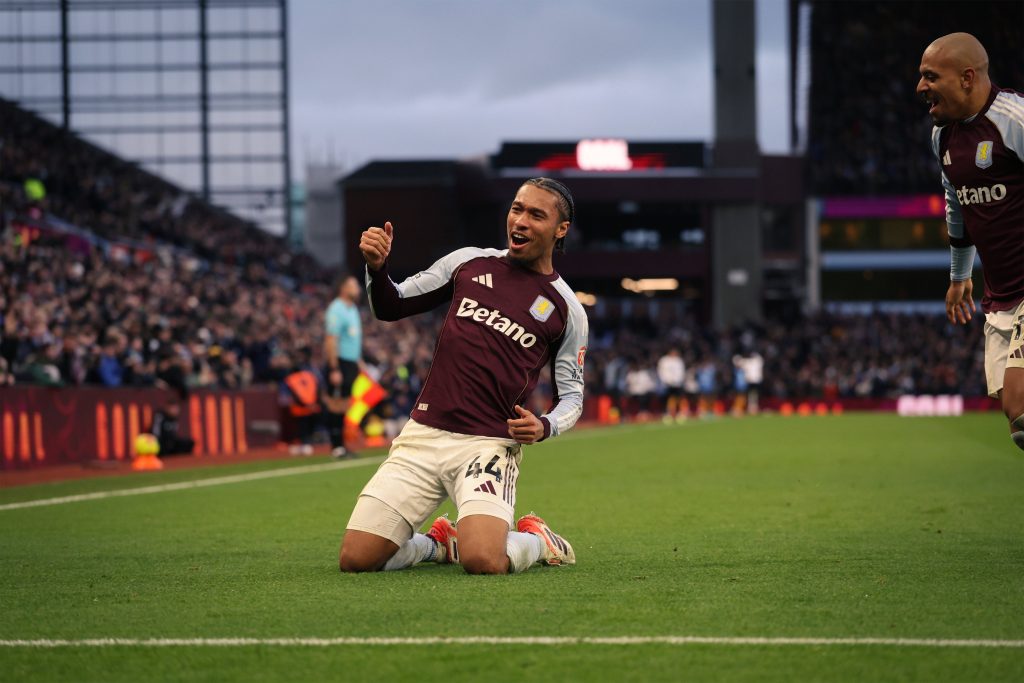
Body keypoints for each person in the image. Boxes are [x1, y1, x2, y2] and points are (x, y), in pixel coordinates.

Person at [339, 177, 588, 575]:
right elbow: (392, 304)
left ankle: (539, 542)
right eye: (517, 209)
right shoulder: (468, 262)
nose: (520, 221)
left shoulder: (567, 309)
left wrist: (545, 426)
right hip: (424, 435)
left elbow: (573, 397)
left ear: (561, 229)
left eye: (536, 215)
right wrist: (377, 268)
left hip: (488, 445)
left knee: (484, 560)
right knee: (357, 559)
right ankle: (438, 546)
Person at [917, 33, 1024, 450]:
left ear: (966, 77)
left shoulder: (1014, 120)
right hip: (1001, 294)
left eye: (929, 76)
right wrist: (960, 275)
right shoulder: (941, 137)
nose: (920, 87)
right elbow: (957, 204)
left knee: (1020, 397)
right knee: (1014, 414)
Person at [323, 275, 363, 459]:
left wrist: (358, 362)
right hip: (340, 362)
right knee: (336, 404)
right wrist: (334, 368)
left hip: (350, 362)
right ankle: (336, 446)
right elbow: (331, 340)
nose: (357, 288)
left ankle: (342, 445)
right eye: (353, 285)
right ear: (343, 288)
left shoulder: (352, 308)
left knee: (345, 404)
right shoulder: (336, 309)